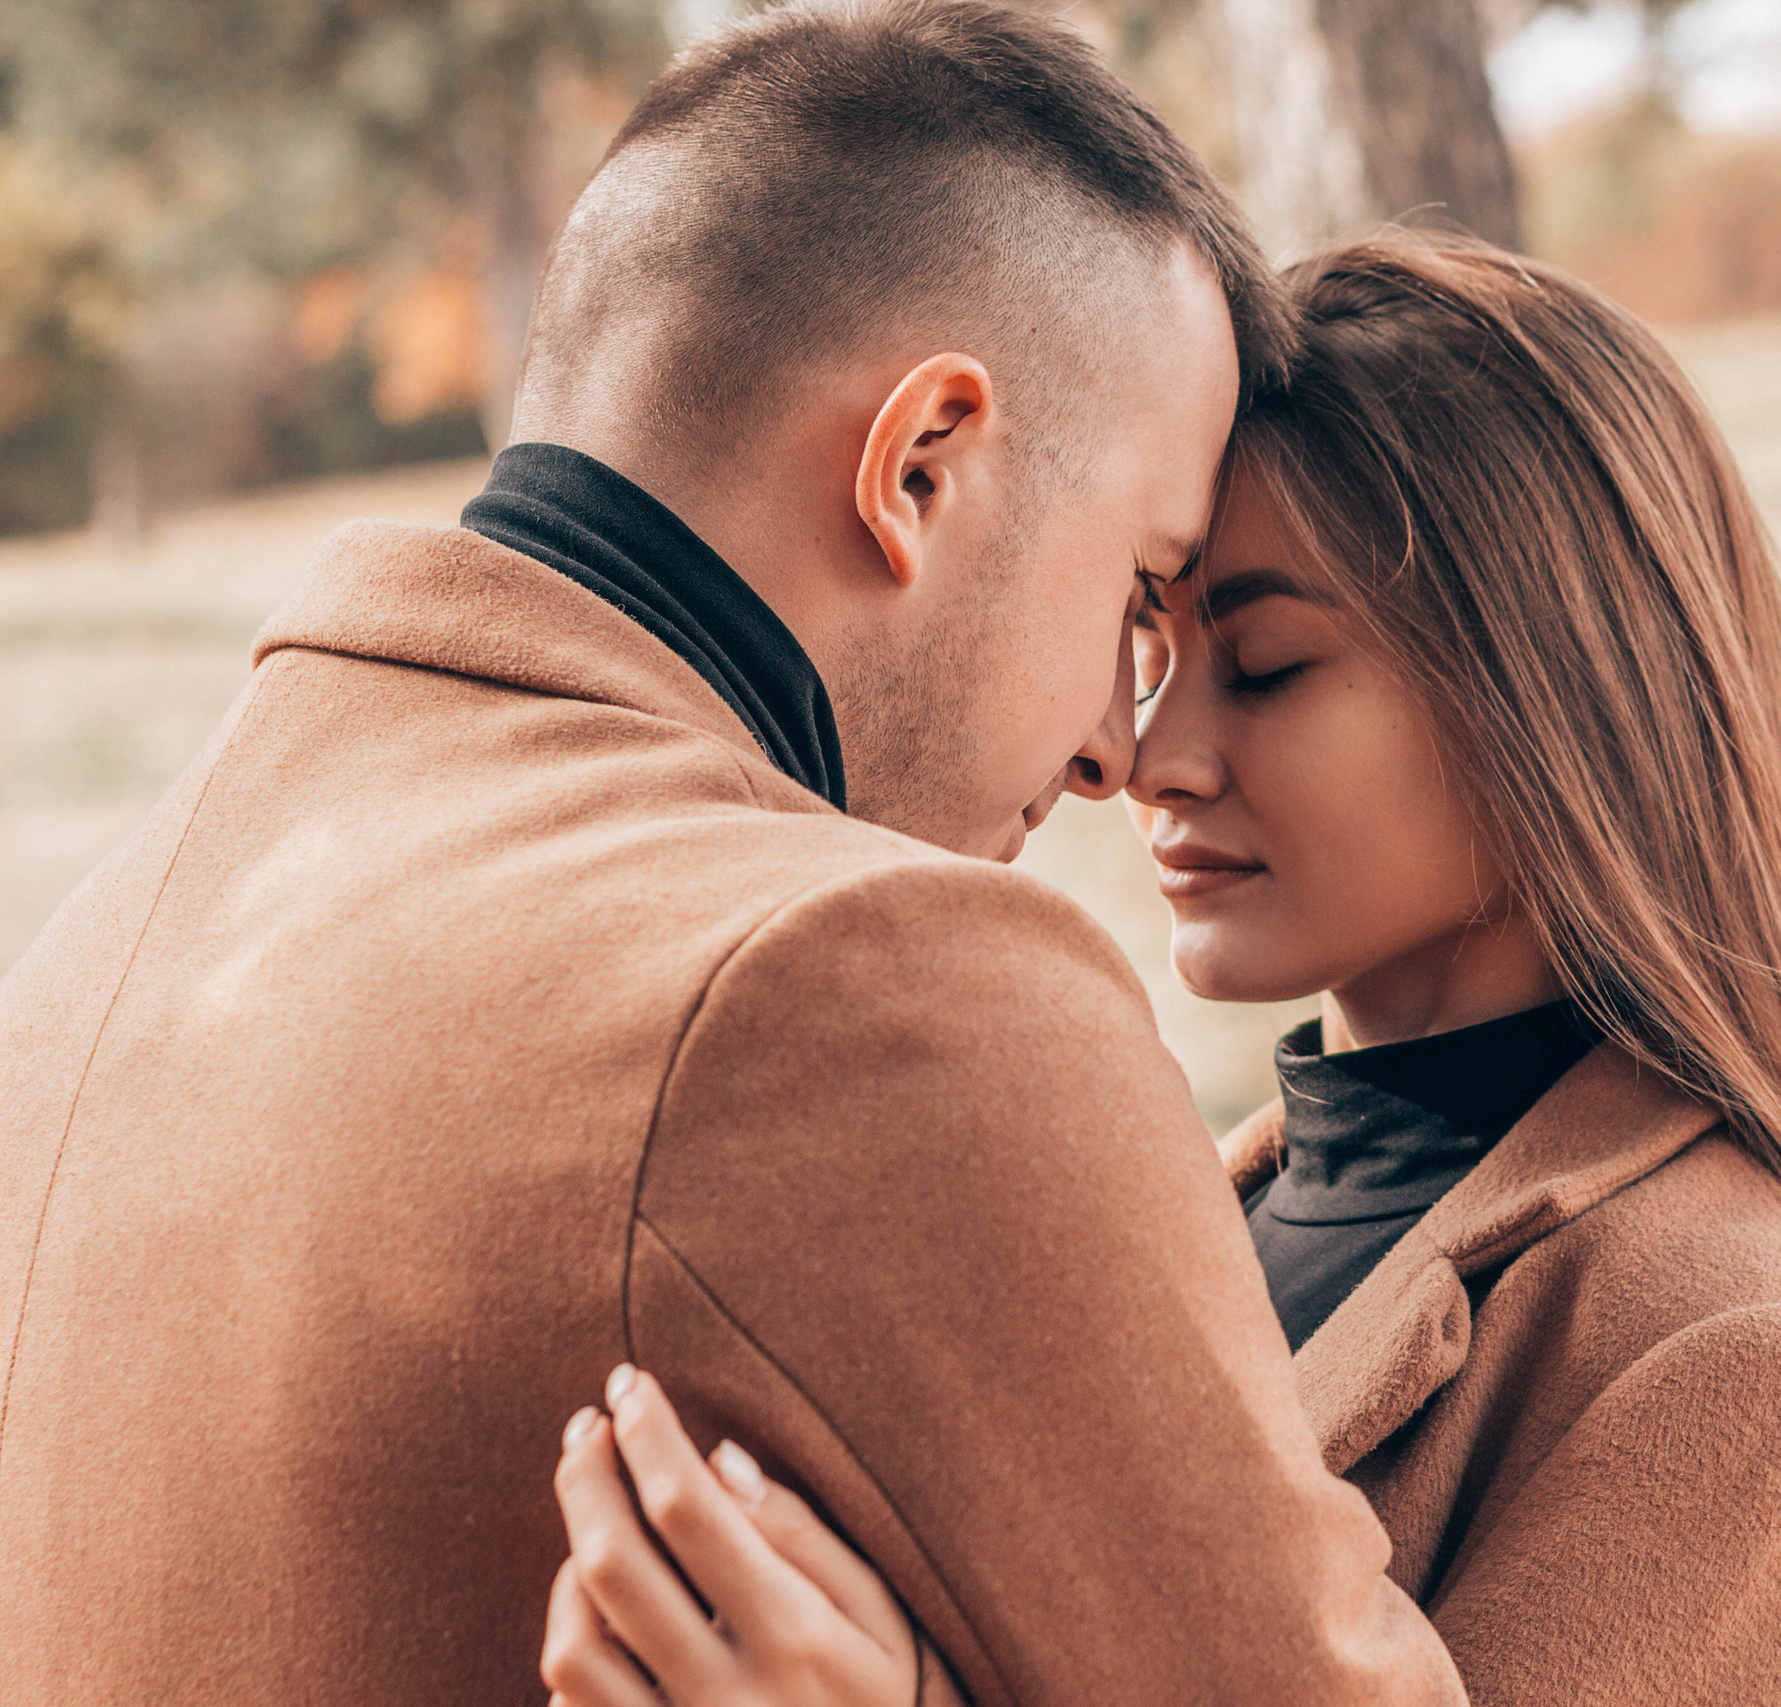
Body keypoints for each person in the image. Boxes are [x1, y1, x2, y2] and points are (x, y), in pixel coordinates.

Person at [0, 7, 1475, 1704]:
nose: (1111, 750)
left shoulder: (90, 958)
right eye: (1140, 587)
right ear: (922, 466)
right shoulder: (866, 989)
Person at [537, 236, 1781, 1706]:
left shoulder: (1737, 1342)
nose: (1152, 757)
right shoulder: (1196, 1208)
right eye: (1150, 648)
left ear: (1551, 700)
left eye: (1264, 667)